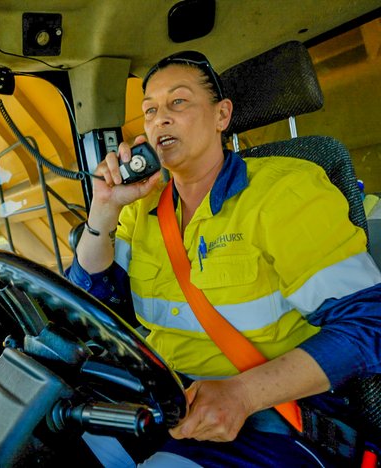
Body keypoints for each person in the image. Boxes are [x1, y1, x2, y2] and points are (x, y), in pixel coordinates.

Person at [66, 50, 381, 466]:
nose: (160, 118)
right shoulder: (141, 209)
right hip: (172, 406)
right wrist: (103, 210)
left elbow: (369, 324)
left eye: (178, 102)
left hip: (276, 417)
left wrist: (243, 394)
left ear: (221, 115)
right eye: (149, 110)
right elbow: (91, 297)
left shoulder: (283, 192)